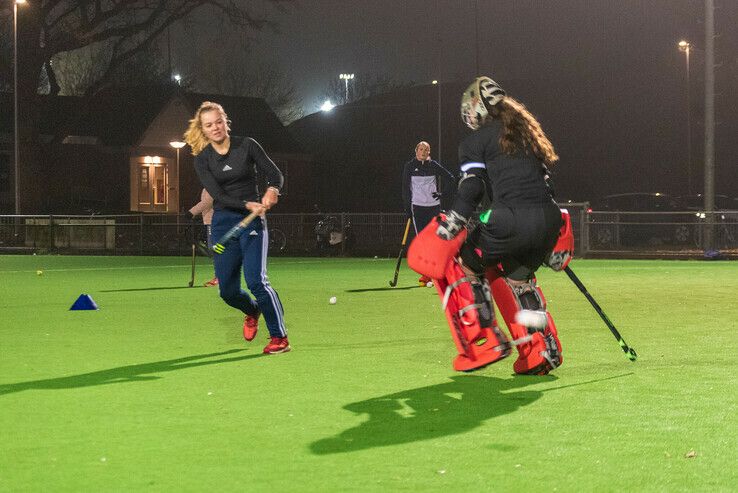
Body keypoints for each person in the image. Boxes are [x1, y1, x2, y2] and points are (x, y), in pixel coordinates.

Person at [408, 76, 568, 375]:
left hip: (509, 220)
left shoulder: (475, 142)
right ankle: (542, 349)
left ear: (478, 108)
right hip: (547, 221)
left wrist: (451, 223)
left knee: (466, 265)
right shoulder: (526, 136)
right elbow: (547, 185)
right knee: (521, 283)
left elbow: (472, 189)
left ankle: (486, 340)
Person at [183, 101, 289, 354]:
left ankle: (279, 337)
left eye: (219, 121)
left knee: (256, 282)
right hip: (223, 222)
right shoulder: (203, 159)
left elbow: (275, 175)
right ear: (204, 130)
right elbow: (217, 195)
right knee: (228, 292)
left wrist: (273, 190)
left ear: (226, 122)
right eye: (209, 125)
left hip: (253, 223)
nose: (216, 127)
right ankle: (252, 311)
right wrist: (246, 203)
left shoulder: (247, 145)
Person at [401, 141, 455, 286]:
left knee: (437, 240)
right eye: (421, 149)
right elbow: (405, 189)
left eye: (426, 149)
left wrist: (442, 194)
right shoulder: (410, 166)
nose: (423, 151)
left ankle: (439, 272)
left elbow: (451, 178)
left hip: (433, 207)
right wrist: (407, 209)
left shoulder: (433, 165)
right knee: (423, 242)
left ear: (429, 152)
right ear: (416, 150)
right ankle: (426, 274)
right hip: (417, 208)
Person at [187, 188, 218, 287]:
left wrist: (192, 212)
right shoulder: (209, 185)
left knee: (214, 249)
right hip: (211, 221)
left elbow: (207, 202)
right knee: (214, 249)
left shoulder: (211, 185)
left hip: (214, 221)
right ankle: (221, 276)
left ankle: (220, 277)